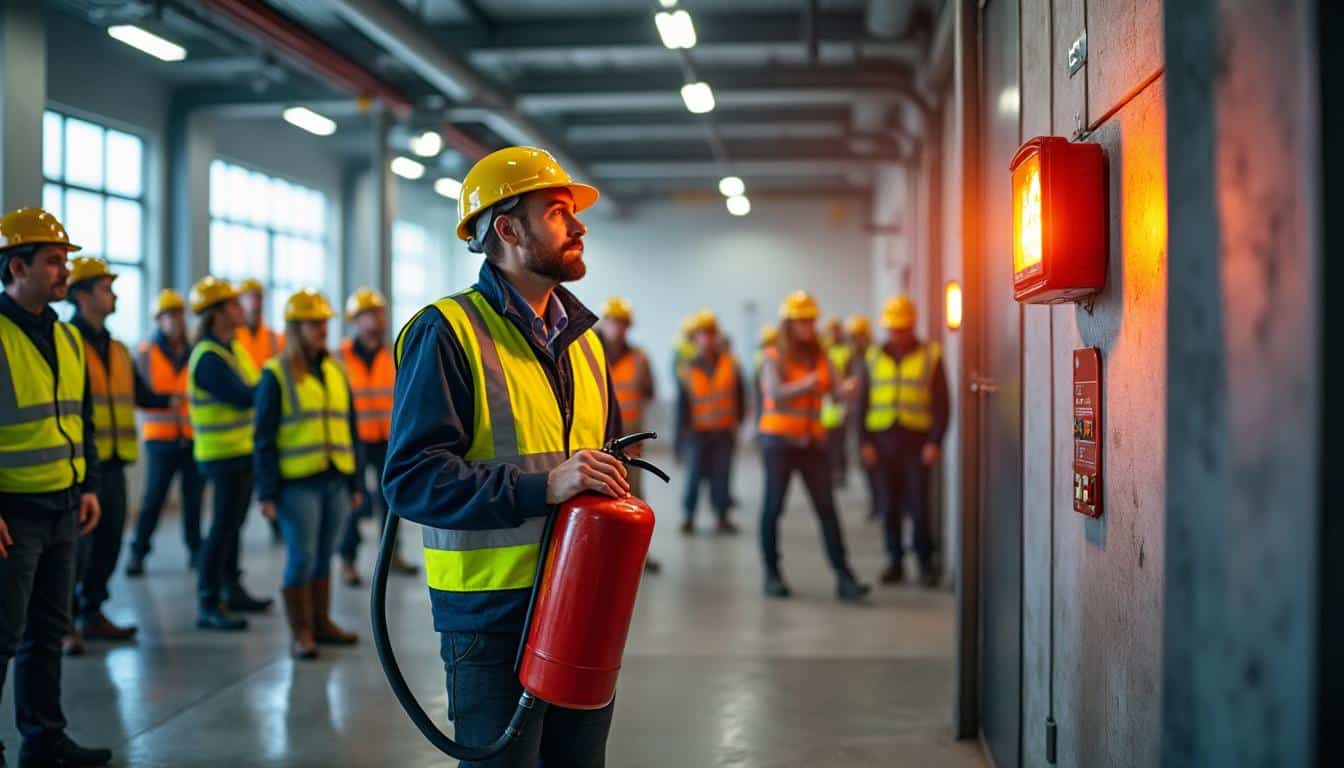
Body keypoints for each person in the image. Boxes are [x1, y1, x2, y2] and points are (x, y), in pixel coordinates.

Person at [384, 146, 626, 768]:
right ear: (508, 230)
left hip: (581, 603)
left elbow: (605, 469)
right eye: (557, 211)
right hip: (490, 617)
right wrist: (542, 486)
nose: (578, 226)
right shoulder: (448, 331)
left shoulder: (586, 344)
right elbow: (411, 481)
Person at [0, 207, 114, 767]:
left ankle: (44, 740)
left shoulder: (68, 338)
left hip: (66, 506)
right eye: (52, 261)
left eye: (65, 261)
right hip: (12, 515)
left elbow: (82, 419)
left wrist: (89, 484)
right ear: (17, 266)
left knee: (47, 633)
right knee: (2, 636)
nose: (63, 271)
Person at [63, 258, 174, 655]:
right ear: (82, 294)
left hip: (116, 462)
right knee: (77, 550)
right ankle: (67, 623)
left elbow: (143, 395)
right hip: (78, 465)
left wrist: (177, 397)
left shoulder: (117, 348)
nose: (114, 295)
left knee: (109, 543)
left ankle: (93, 613)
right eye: (106, 288)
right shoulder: (66, 341)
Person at [254, 289, 362, 659]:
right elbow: (263, 437)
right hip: (296, 485)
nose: (323, 329)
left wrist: (355, 482)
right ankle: (301, 633)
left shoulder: (334, 369)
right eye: (315, 323)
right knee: (301, 557)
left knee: (324, 555)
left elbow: (349, 426)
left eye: (325, 322)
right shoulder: (276, 373)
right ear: (296, 327)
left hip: (334, 478)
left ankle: (321, 623)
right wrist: (266, 492)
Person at [756, 291, 870, 602]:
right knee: (772, 509)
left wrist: (848, 390)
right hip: (778, 443)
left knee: (827, 510)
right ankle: (772, 575)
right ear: (789, 324)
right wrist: (808, 383)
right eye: (801, 321)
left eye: (810, 321)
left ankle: (845, 578)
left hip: (812, 445)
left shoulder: (822, 356)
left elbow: (834, 391)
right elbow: (774, 394)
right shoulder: (773, 355)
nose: (808, 327)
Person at [187, 276, 271, 631]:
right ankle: (208, 600)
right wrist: (273, 386)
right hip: (221, 455)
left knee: (233, 526)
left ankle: (231, 588)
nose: (243, 309)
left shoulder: (231, 348)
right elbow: (242, 395)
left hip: (240, 453)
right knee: (221, 528)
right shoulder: (208, 357)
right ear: (218, 313)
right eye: (234, 305)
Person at [859, 296, 950, 587]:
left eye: (903, 328)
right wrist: (865, 443)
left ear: (912, 327)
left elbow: (942, 404)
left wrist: (935, 441)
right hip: (883, 441)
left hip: (916, 442)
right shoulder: (873, 357)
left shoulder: (930, 355)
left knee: (919, 505)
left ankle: (924, 563)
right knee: (889, 505)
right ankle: (895, 561)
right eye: (893, 329)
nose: (898, 334)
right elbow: (862, 403)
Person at [336, 287, 415, 585]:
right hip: (353, 440)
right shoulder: (340, 356)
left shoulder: (395, 352)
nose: (376, 319)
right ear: (355, 320)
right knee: (353, 503)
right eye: (369, 313)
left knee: (391, 502)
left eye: (379, 312)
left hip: (389, 439)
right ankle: (347, 560)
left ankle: (392, 556)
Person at [126, 289, 205, 576]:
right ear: (158, 320)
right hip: (160, 438)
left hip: (192, 436)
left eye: (179, 314)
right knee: (153, 500)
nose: (176, 320)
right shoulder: (145, 353)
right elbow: (138, 393)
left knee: (193, 500)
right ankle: (138, 552)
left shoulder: (195, 350)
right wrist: (166, 400)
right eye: (169, 315)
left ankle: (196, 552)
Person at [598, 296, 661, 574]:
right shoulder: (590, 351)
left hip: (632, 439)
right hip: (600, 438)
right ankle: (602, 554)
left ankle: (636, 556)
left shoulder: (639, 357)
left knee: (633, 494)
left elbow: (648, 390)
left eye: (622, 323)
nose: (617, 328)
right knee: (600, 497)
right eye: (613, 321)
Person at [674, 309, 745, 535]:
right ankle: (689, 517)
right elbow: (681, 407)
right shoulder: (687, 369)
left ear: (716, 336)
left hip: (724, 431)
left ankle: (722, 517)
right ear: (695, 338)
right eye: (702, 334)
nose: (707, 338)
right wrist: (680, 440)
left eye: (711, 334)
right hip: (697, 433)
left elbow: (740, 395)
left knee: (722, 475)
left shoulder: (731, 363)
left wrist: (738, 421)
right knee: (694, 477)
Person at [235, 277, 284, 545]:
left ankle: (279, 526)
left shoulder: (275, 339)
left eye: (259, 296)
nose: (255, 302)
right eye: (249, 296)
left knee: (271, 474)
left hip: (269, 418)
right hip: (242, 421)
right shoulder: (233, 337)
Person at [819, 316, 853, 488]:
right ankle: (830, 473)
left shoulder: (847, 351)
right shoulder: (823, 351)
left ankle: (840, 474)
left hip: (840, 401)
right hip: (826, 403)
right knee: (827, 444)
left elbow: (849, 376)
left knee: (839, 442)